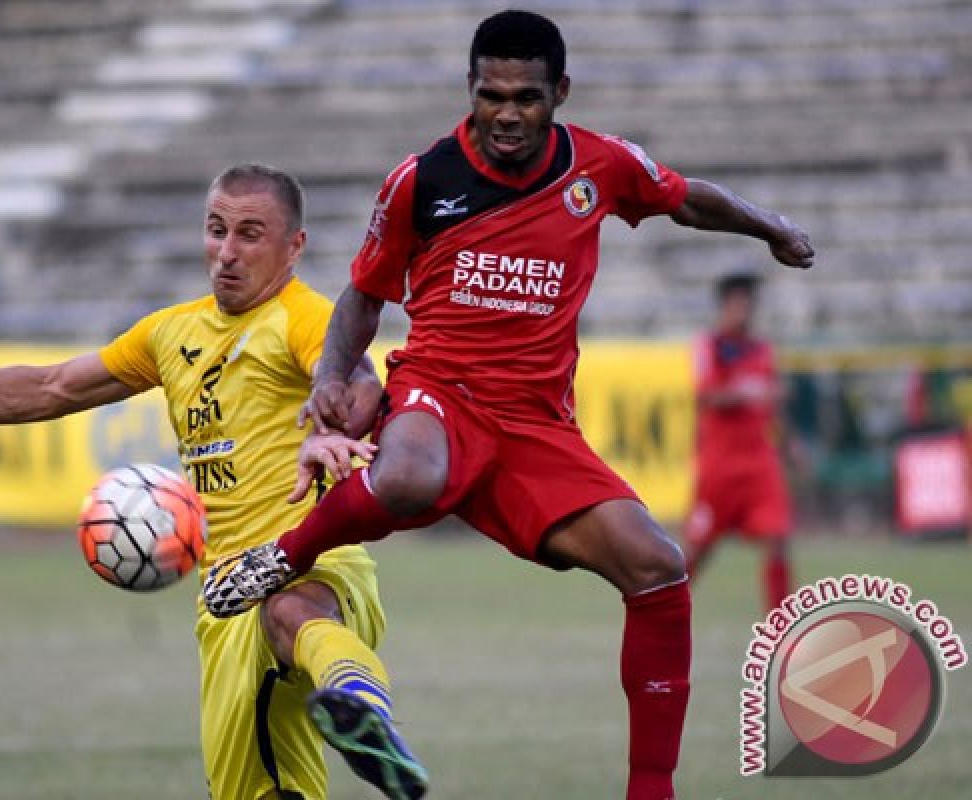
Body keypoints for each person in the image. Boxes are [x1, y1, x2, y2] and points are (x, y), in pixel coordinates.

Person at [203, 12, 814, 800]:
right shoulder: (422, 179)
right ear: (471, 90)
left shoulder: (601, 165)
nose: (507, 114)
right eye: (491, 95)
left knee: (658, 568)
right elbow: (363, 291)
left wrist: (771, 229)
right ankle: (283, 557)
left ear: (558, 92)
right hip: (439, 389)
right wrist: (334, 374)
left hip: (536, 425)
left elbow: (685, 198)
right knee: (411, 474)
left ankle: (651, 790)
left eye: (526, 96)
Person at [0, 164, 429, 800]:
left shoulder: (302, 318)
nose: (228, 252)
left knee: (291, 609)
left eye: (250, 234)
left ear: (295, 247)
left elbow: (351, 375)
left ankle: (362, 706)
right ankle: (351, 705)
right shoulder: (170, 333)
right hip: (225, 597)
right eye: (216, 230)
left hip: (313, 559)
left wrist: (333, 414)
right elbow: (52, 386)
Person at [684, 273, 794, 611]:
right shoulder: (709, 346)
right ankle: (667, 606)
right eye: (736, 305)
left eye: (747, 305)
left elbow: (772, 401)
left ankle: (782, 628)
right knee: (699, 547)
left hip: (760, 462)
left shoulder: (761, 349)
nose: (742, 312)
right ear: (724, 307)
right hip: (720, 465)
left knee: (777, 539)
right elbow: (705, 397)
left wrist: (790, 444)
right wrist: (745, 392)